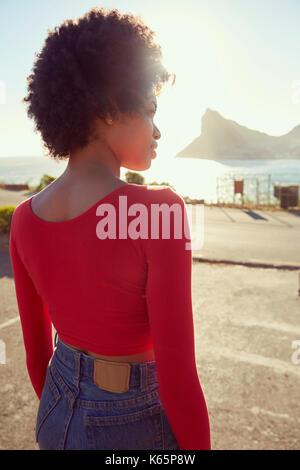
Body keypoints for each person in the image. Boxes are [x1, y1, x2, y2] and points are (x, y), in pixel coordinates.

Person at [9, 7, 211, 450]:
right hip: (130, 422)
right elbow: (179, 381)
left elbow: (36, 356)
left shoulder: (23, 219)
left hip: (55, 410)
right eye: (151, 110)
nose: (158, 131)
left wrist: (70, 414)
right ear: (108, 108)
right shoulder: (158, 211)